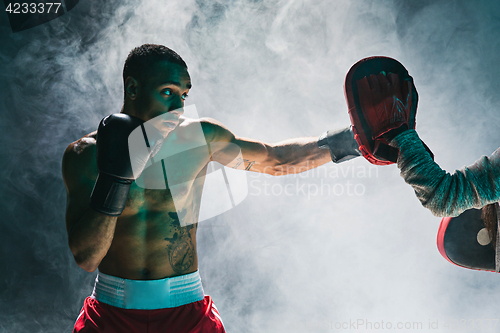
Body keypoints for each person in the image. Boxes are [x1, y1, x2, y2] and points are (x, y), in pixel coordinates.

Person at [62, 44, 361, 332]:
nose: (178, 107)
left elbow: (274, 159)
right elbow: (87, 258)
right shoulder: (86, 155)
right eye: (168, 92)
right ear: (133, 89)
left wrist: (354, 139)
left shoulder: (199, 139)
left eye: (184, 95)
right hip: (112, 315)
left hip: (186, 314)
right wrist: (116, 178)